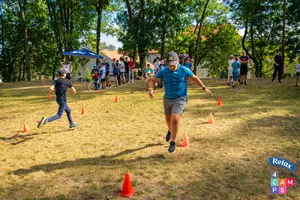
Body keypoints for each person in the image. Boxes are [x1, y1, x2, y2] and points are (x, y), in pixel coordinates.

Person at [147, 51, 212, 153]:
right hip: (167, 98)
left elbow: (194, 78)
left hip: (180, 98)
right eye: (169, 65)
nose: (171, 67)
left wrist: (204, 87)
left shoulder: (183, 69)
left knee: (175, 119)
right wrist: (151, 89)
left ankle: (173, 141)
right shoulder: (164, 71)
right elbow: (152, 80)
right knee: (168, 119)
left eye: (173, 65)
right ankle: (169, 130)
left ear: (177, 61)